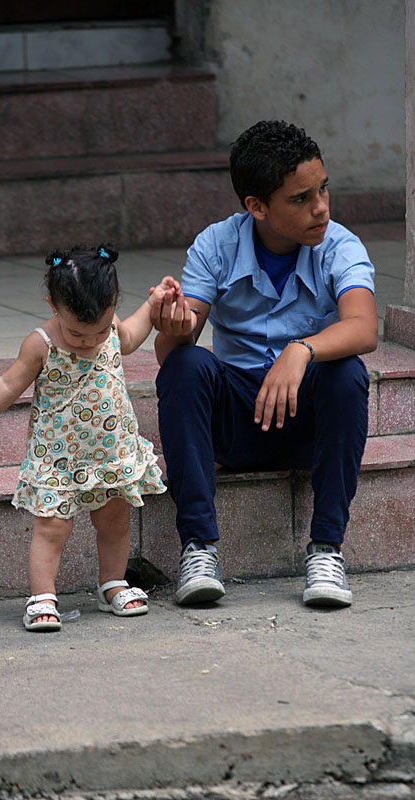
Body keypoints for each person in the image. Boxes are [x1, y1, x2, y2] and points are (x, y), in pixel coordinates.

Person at [151, 120, 378, 609]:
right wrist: (173, 324)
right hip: (236, 423)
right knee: (186, 365)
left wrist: (302, 350)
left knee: (347, 372)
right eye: (301, 199)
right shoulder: (216, 244)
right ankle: (198, 548)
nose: (321, 207)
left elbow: (364, 328)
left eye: (323, 190)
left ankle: (326, 551)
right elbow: (174, 352)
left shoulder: (340, 245)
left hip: (305, 424)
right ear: (256, 206)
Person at [0, 243, 172, 631]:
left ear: (113, 305)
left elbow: (132, 337)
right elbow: (8, 384)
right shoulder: (41, 344)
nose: (90, 341)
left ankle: (113, 584)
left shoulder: (111, 328)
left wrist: (154, 304)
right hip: (59, 459)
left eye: (99, 330)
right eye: (77, 333)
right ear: (53, 306)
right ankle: (42, 596)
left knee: (115, 522)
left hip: (111, 454)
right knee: (51, 528)